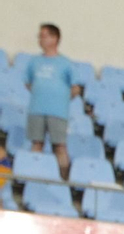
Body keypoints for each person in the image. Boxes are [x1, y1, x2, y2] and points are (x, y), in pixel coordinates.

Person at [23, 23, 82, 179]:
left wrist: (60, 98)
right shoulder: (34, 61)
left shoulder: (65, 63)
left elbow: (75, 87)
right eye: (40, 36)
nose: (40, 40)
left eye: (43, 36)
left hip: (58, 113)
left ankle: (63, 180)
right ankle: (31, 177)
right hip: (36, 110)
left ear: (54, 38)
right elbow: (28, 82)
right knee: (37, 143)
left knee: (60, 146)